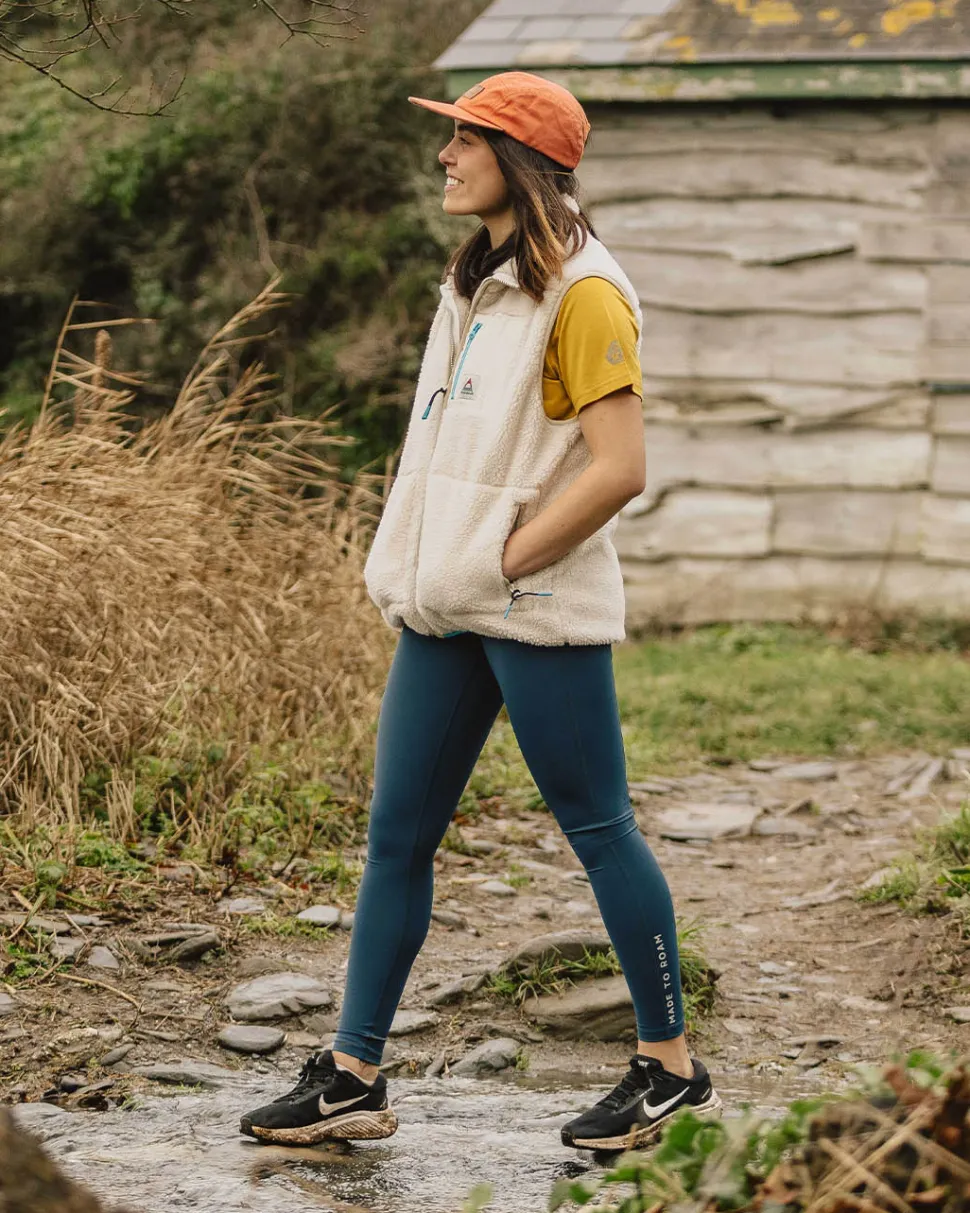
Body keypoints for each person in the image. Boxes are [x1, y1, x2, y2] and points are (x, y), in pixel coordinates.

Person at [240, 70, 721, 1153]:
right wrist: (453, 568)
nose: (444, 155)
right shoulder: (474, 282)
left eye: (465, 138)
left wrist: (503, 559)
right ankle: (352, 1076)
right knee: (396, 838)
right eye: (449, 136)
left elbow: (620, 467)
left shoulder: (584, 292)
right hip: (445, 605)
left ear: (520, 159)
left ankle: (668, 1068)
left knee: (597, 828)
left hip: (530, 603)